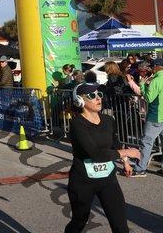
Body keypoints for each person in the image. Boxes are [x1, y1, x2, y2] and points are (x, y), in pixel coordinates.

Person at [65, 83, 140, 233]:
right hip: (83, 181)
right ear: (80, 101)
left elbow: (115, 143)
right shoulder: (77, 124)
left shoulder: (108, 120)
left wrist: (125, 162)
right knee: (79, 222)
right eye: (92, 96)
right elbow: (96, 154)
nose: (98, 98)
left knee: (120, 225)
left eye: (99, 94)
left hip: (108, 179)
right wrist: (126, 153)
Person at [131, 58, 163, 177]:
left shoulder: (157, 80)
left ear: (156, 67)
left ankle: (140, 169)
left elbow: (149, 98)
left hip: (156, 116)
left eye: (152, 67)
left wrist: (142, 85)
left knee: (146, 142)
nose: (151, 69)